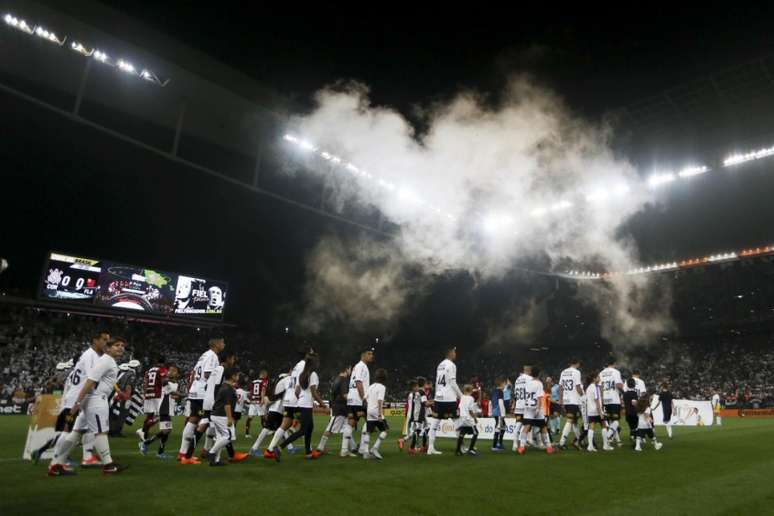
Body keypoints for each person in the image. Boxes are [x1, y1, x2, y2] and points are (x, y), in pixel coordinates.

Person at [48, 337, 128, 476]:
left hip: (91, 399)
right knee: (100, 431)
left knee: (77, 432)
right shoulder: (106, 361)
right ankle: (108, 465)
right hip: (96, 399)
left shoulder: (107, 361)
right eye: (116, 345)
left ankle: (56, 465)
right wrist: (78, 402)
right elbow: (90, 380)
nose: (120, 347)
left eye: (122, 345)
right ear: (108, 348)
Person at [178, 337, 225, 464]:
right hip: (203, 393)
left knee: (193, 419)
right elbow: (207, 374)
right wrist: (219, 384)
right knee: (208, 421)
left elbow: (194, 374)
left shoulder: (203, 355)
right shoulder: (212, 356)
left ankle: (183, 452)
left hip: (195, 390)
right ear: (216, 344)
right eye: (222, 342)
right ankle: (201, 451)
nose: (224, 344)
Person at [266, 348, 313, 459]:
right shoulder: (305, 365)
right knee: (306, 426)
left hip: (288, 399)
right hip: (297, 399)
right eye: (310, 353)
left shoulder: (296, 366)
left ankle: (270, 449)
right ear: (306, 355)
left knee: (285, 424)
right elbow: (303, 382)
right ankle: (307, 450)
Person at [275, 354, 325, 461]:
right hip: (306, 405)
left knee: (310, 428)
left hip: (301, 403)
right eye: (317, 361)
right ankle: (280, 447)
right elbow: (313, 392)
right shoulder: (313, 374)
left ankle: (308, 453)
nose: (318, 363)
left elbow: (297, 391)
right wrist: (322, 403)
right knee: (302, 431)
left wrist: (302, 398)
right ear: (314, 363)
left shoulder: (301, 374)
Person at [427, 346, 463, 455]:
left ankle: (430, 448)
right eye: (454, 352)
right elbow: (452, 382)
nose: (455, 354)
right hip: (449, 398)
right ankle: (460, 447)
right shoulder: (451, 365)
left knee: (434, 424)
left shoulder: (440, 365)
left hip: (439, 398)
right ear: (450, 353)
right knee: (457, 422)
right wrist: (461, 396)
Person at [141, 365, 181, 458]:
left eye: (174, 371)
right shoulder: (164, 381)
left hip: (168, 408)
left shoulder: (176, 384)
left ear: (178, 374)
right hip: (163, 407)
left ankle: (159, 451)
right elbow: (170, 392)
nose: (171, 372)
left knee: (167, 431)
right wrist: (185, 394)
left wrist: (177, 396)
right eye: (169, 370)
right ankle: (147, 444)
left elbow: (174, 396)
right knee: (166, 430)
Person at [342, 347, 374, 457]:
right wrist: (364, 398)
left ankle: (344, 449)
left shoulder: (357, 366)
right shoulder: (362, 366)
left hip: (352, 398)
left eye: (371, 354)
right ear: (363, 355)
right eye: (369, 354)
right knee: (370, 421)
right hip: (358, 399)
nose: (371, 356)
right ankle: (363, 450)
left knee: (351, 422)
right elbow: (359, 382)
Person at [253, 370, 291, 457]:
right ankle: (255, 448)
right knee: (269, 428)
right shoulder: (285, 379)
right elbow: (278, 394)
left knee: (281, 428)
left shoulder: (280, 380)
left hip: (278, 408)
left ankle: (289, 448)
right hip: (277, 408)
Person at [207, 368, 240, 466]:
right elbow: (227, 405)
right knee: (228, 437)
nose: (238, 377)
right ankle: (211, 453)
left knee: (220, 438)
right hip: (221, 415)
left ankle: (216, 460)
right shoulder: (227, 388)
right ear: (233, 376)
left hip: (217, 414)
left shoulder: (225, 387)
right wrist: (230, 418)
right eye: (237, 375)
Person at [517, 366, 553, 455]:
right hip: (537, 408)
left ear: (531, 373)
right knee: (543, 427)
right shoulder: (539, 383)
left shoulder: (528, 383)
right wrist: (538, 408)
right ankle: (548, 447)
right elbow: (540, 397)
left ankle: (521, 447)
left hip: (528, 408)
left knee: (526, 427)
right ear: (539, 374)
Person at [317, 365, 351, 454]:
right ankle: (320, 447)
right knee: (330, 429)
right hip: (340, 408)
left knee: (347, 428)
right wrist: (353, 401)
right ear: (346, 369)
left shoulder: (336, 379)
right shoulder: (343, 380)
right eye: (350, 369)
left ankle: (352, 448)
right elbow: (344, 395)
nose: (351, 371)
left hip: (338, 407)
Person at [137, 356, 168, 448]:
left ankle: (144, 434)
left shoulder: (149, 370)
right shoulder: (162, 369)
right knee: (160, 415)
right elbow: (164, 382)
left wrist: (144, 394)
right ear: (163, 362)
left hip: (148, 394)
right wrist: (168, 378)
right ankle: (142, 430)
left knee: (149, 416)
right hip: (157, 394)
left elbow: (145, 383)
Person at [362, 368, 389, 460]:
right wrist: (379, 414)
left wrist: (368, 408)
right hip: (376, 410)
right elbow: (380, 401)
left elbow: (364, 399)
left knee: (368, 431)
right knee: (385, 430)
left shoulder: (371, 386)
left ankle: (365, 452)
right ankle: (374, 448)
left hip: (369, 410)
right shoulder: (382, 387)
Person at [558, 358, 584, 450]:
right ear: (577, 363)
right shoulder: (576, 372)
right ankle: (561, 443)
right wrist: (583, 396)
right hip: (574, 400)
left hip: (566, 400)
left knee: (574, 421)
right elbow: (578, 387)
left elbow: (560, 387)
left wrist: (561, 400)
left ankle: (580, 440)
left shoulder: (563, 372)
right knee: (570, 420)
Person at [585, 372, 613, 452]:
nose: (599, 378)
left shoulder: (589, 387)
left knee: (591, 427)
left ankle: (590, 446)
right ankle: (605, 445)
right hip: (597, 410)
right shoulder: (595, 387)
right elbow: (597, 400)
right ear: (594, 379)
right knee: (604, 426)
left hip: (590, 410)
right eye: (598, 377)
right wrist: (600, 412)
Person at [599, 356, 624, 447]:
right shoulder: (616, 372)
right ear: (614, 363)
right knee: (616, 421)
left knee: (610, 421)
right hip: (614, 399)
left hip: (605, 399)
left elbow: (600, 387)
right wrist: (624, 391)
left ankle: (618, 441)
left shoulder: (601, 373)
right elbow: (618, 385)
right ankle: (608, 436)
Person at [511, 365, 532, 452]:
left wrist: (514, 404)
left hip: (518, 405)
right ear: (529, 370)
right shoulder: (529, 379)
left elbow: (515, 394)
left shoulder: (517, 380)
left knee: (518, 425)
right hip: (526, 406)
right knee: (527, 425)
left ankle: (515, 445)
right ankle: (523, 444)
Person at [456, 384, 479, 456]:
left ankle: (458, 450)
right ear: (470, 390)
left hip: (462, 418)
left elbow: (459, 407)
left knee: (462, 433)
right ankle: (471, 450)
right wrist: (475, 418)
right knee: (476, 433)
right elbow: (470, 410)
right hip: (468, 418)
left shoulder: (462, 397)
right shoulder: (471, 398)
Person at [245, 367, 269, 438]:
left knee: (250, 417)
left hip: (253, 401)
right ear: (264, 375)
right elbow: (263, 390)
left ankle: (247, 434)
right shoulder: (264, 381)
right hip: (259, 400)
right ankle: (264, 433)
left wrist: (251, 399)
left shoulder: (254, 381)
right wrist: (262, 399)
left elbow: (249, 392)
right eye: (266, 375)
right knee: (263, 416)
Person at [490, 376, 506, 452]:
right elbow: (500, 402)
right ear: (502, 384)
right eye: (504, 384)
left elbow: (491, 402)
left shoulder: (494, 391)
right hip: (499, 412)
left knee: (503, 427)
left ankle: (499, 443)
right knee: (498, 427)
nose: (505, 386)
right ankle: (494, 446)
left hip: (495, 412)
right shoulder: (500, 392)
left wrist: (490, 412)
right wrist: (503, 414)